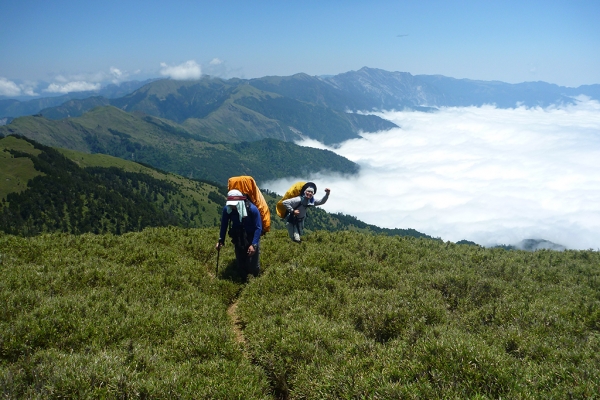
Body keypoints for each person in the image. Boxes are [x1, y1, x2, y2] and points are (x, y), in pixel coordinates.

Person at [216, 189, 262, 281]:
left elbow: (258, 227)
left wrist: (254, 244)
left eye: (235, 204)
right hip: (238, 236)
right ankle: (243, 281)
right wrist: (221, 240)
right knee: (241, 263)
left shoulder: (252, 209)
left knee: (252, 264)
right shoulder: (227, 210)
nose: (233, 207)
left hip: (251, 236)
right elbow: (224, 224)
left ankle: (256, 280)